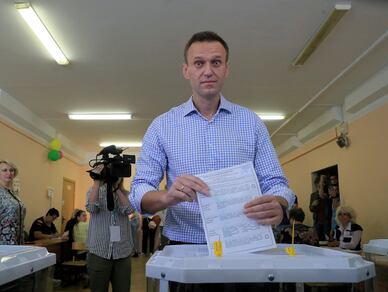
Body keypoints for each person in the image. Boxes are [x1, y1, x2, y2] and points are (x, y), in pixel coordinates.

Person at [130, 31, 295, 291]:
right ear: (186, 70)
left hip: (247, 249)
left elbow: (276, 182)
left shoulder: (251, 123)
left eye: (216, 62)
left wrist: (280, 204)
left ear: (226, 69)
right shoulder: (161, 126)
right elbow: (139, 190)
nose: (208, 70)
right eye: (199, 63)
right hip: (184, 251)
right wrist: (168, 197)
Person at [86, 164, 134, 292]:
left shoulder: (126, 194)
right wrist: (97, 182)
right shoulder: (93, 191)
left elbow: (129, 210)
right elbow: (91, 208)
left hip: (122, 253)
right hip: (99, 252)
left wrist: (116, 188)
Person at [0, 160, 26, 245]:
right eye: (4, 170)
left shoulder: (13, 193)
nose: (9, 173)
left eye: (11, 170)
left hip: (17, 241)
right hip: (4, 243)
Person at [309, 175, 332, 241]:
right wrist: (313, 205)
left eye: (319, 184)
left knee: (327, 240)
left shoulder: (328, 193)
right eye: (317, 185)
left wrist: (321, 180)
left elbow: (321, 195)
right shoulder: (313, 195)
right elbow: (311, 209)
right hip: (316, 221)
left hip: (326, 221)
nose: (318, 186)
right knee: (316, 240)